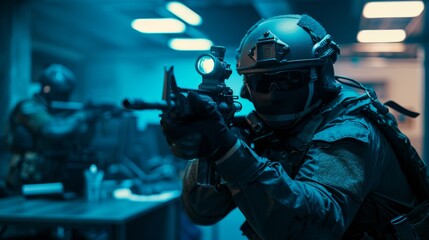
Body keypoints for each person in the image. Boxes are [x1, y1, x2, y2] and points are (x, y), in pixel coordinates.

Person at [161, 14, 427, 239]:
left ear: (321, 77)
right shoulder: (264, 131)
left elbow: (313, 227)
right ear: (246, 88)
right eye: (262, 83)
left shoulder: (351, 129)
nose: (275, 93)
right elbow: (202, 210)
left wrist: (228, 150)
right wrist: (212, 146)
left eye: (289, 80)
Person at [4, 63, 97, 194]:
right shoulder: (28, 108)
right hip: (26, 180)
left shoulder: (59, 115)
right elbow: (52, 131)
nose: (65, 98)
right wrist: (83, 116)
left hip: (54, 178)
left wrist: (92, 121)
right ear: (47, 89)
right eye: (61, 93)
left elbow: (81, 141)